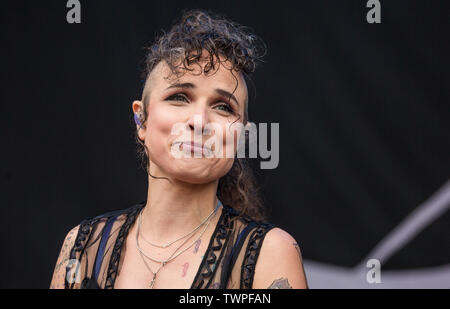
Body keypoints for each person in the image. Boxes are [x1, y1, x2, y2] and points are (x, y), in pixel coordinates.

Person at [50, 9, 308, 289]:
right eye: (179, 97)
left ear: (242, 137)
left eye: (223, 107)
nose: (199, 121)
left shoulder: (270, 255)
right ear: (142, 119)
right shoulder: (83, 247)